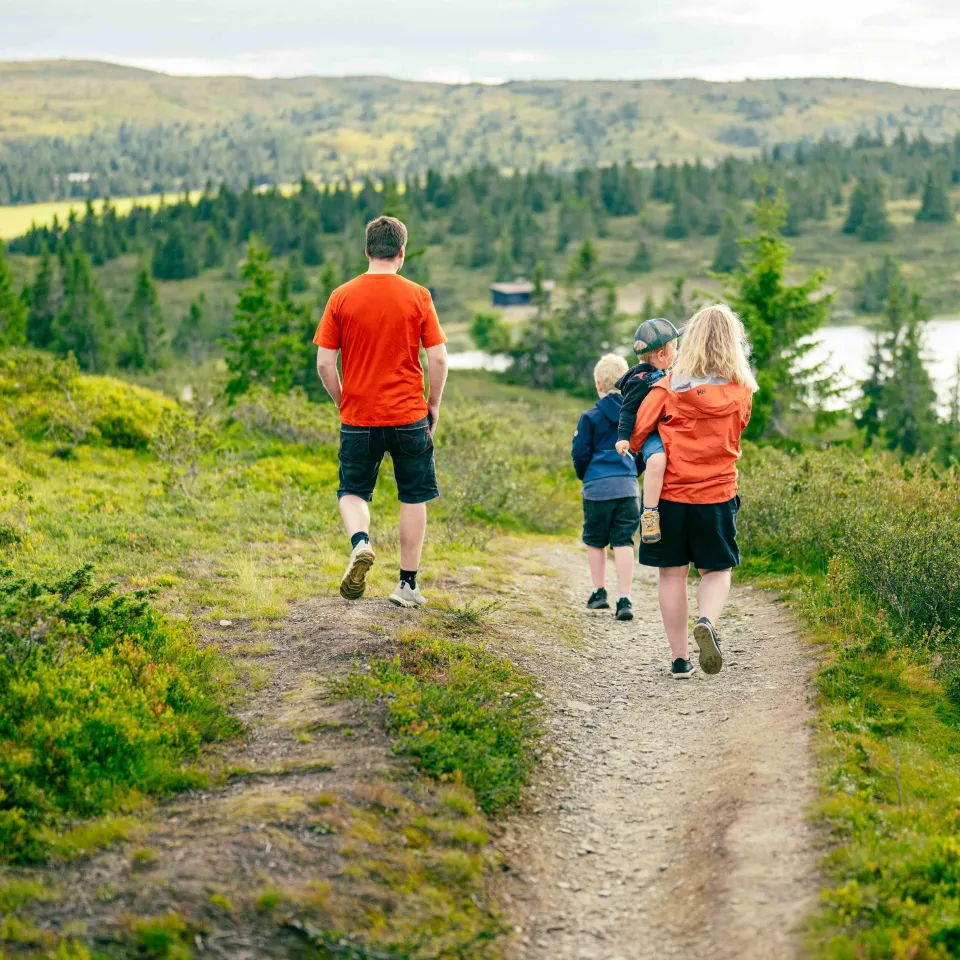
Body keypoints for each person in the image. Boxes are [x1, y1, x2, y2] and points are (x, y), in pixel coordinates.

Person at [314, 215, 449, 608]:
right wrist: (433, 405)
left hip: (358, 417)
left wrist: (344, 402)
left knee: (352, 490)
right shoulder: (418, 296)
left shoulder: (341, 296)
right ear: (401, 253)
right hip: (409, 415)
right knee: (413, 495)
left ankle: (361, 543)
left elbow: (324, 364)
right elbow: (438, 360)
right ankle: (407, 585)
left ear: (367, 251)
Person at [628, 304, 757, 679]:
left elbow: (637, 435)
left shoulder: (666, 387)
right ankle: (708, 621)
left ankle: (680, 659)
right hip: (716, 494)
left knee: (671, 574)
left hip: (669, 497)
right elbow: (739, 429)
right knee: (716, 569)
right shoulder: (743, 390)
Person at [572, 354, 641, 622]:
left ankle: (599, 592)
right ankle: (624, 598)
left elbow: (579, 453)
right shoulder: (634, 416)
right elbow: (642, 452)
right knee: (623, 541)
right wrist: (633, 473)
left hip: (597, 487)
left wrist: (585, 475)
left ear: (598, 385)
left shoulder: (589, 417)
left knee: (595, 539)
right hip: (627, 487)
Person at [613, 318, 682, 545]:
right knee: (657, 461)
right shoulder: (640, 381)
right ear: (661, 354)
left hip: (667, 427)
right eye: (674, 348)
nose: (677, 351)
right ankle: (650, 514)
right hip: (651, 434)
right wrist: (623, 438)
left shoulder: (665, 373)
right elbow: (628, 410)